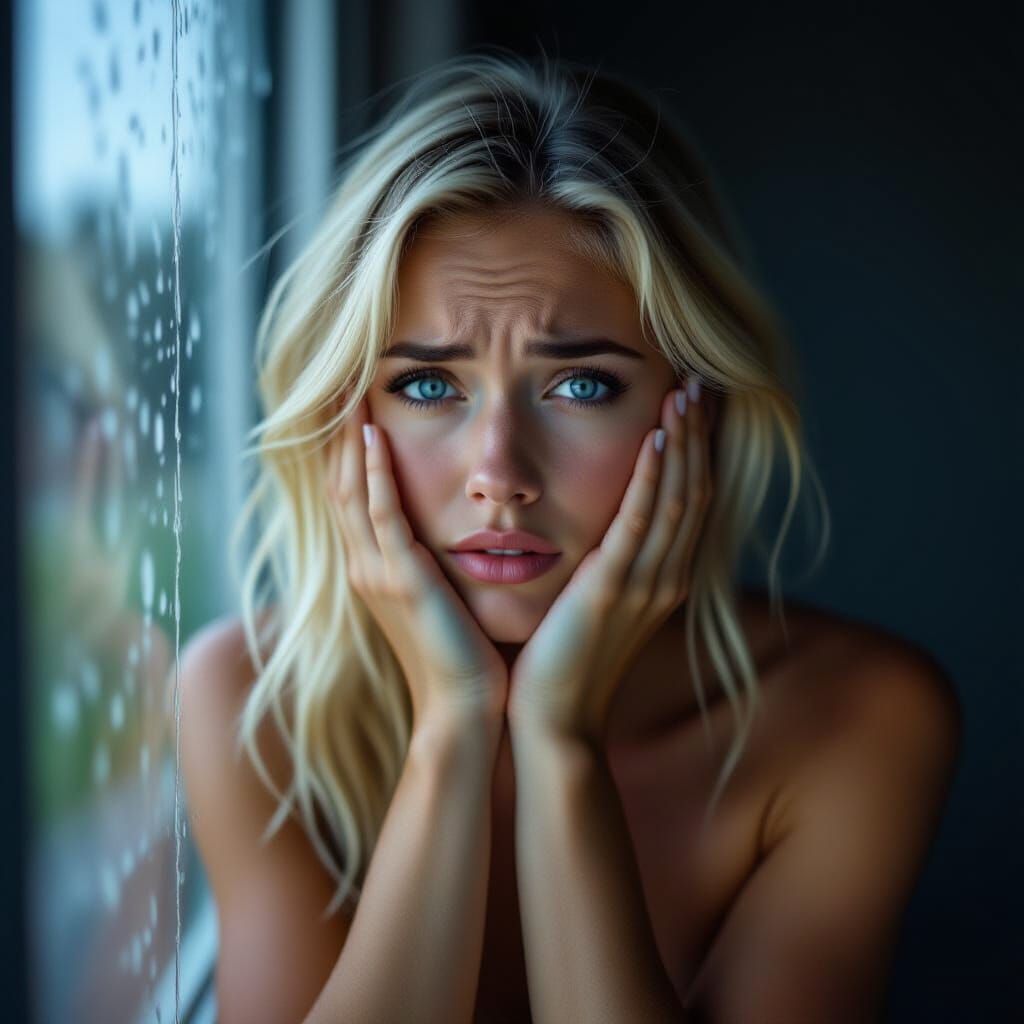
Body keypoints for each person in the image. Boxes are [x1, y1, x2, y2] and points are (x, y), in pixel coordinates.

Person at [179, 50, 962, 1024]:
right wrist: (454, 727)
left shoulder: (857, 716)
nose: (498, 471)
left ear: (695, 415)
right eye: (429, 384)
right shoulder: (249, 702)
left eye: (580, 384)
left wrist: (558, 743)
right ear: (346, 420)